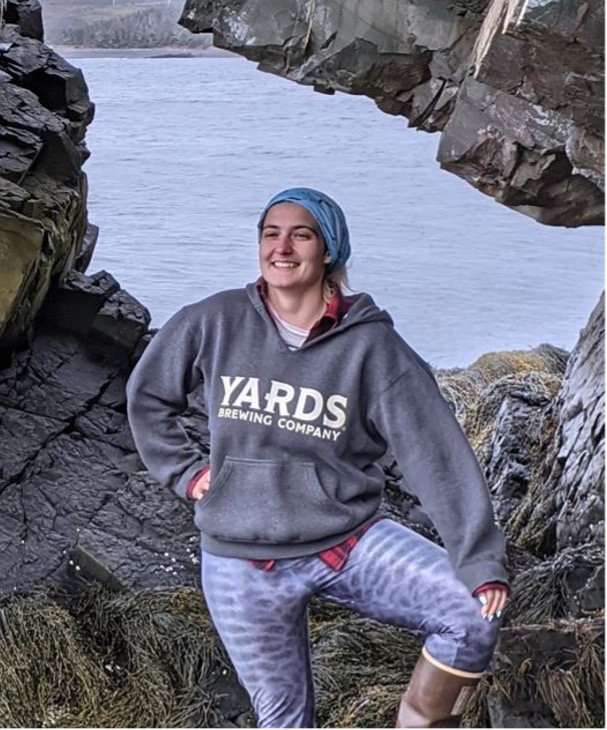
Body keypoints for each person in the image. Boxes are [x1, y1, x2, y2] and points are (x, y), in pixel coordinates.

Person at [126, 187, 509, 728]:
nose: (282, 247)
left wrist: (480, 561)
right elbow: (147, 398)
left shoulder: (372, 347)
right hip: (241, 565)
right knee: (285, 720)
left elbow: (436, 454)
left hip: (347, 542)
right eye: (270, 233)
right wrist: (187, 473)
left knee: (471, 615)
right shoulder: (212, 321)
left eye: (300, 234)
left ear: (328, 250)